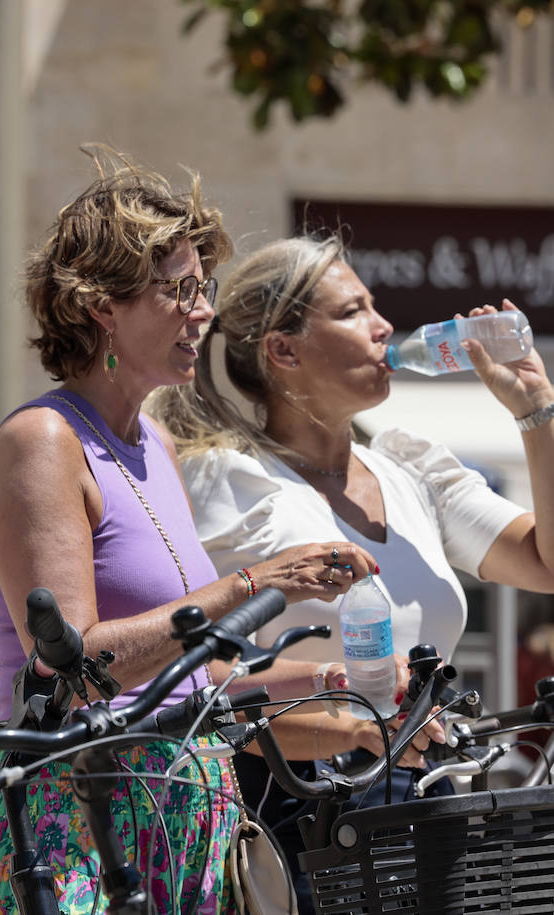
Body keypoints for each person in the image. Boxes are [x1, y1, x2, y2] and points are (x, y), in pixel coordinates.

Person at [0, 152, 379, 914]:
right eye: (178, 290)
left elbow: (187, 683)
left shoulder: (153, 444)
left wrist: (328, 685)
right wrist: (256, 584)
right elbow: (75, 667)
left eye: (204, 288)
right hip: (85, 832)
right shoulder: (44, 442)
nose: (203, 312)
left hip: (184, 828)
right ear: (101, 305)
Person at [155, 233, 554, 910]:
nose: (385, 326)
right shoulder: (224, 478)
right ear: (283, 350)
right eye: (352, 311)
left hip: (428, 798)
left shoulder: (410, 468)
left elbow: (546, 561)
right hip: (297, 809)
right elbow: (189, 673)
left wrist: (535, 413)